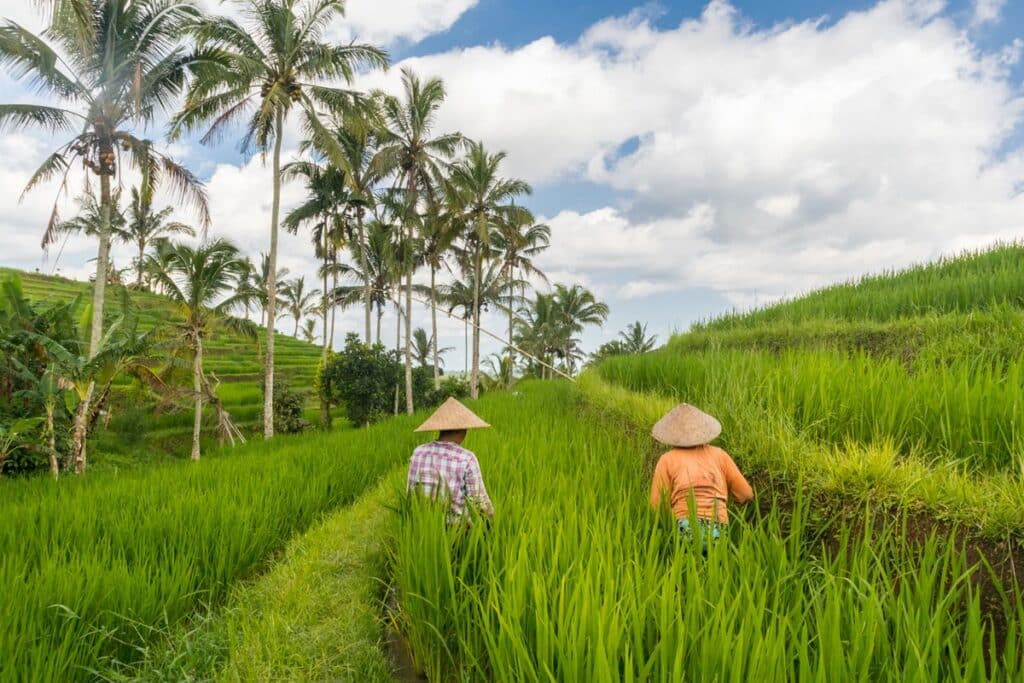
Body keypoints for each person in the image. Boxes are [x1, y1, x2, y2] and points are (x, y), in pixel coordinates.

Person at [649, 403, 753, 552]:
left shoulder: (667, 459)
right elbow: (746, 494)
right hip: (718, 528)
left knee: (685, 570)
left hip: (684, 527)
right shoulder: (720, 455)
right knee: (715, 571)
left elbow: (657, 506)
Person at [407, 397, 494, 522]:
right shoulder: (466, 458)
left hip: (422, 524)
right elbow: (479, 502)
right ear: (462, 429)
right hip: (458, 530)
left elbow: (410, 493)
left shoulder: (418, 452)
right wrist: (493, 523)